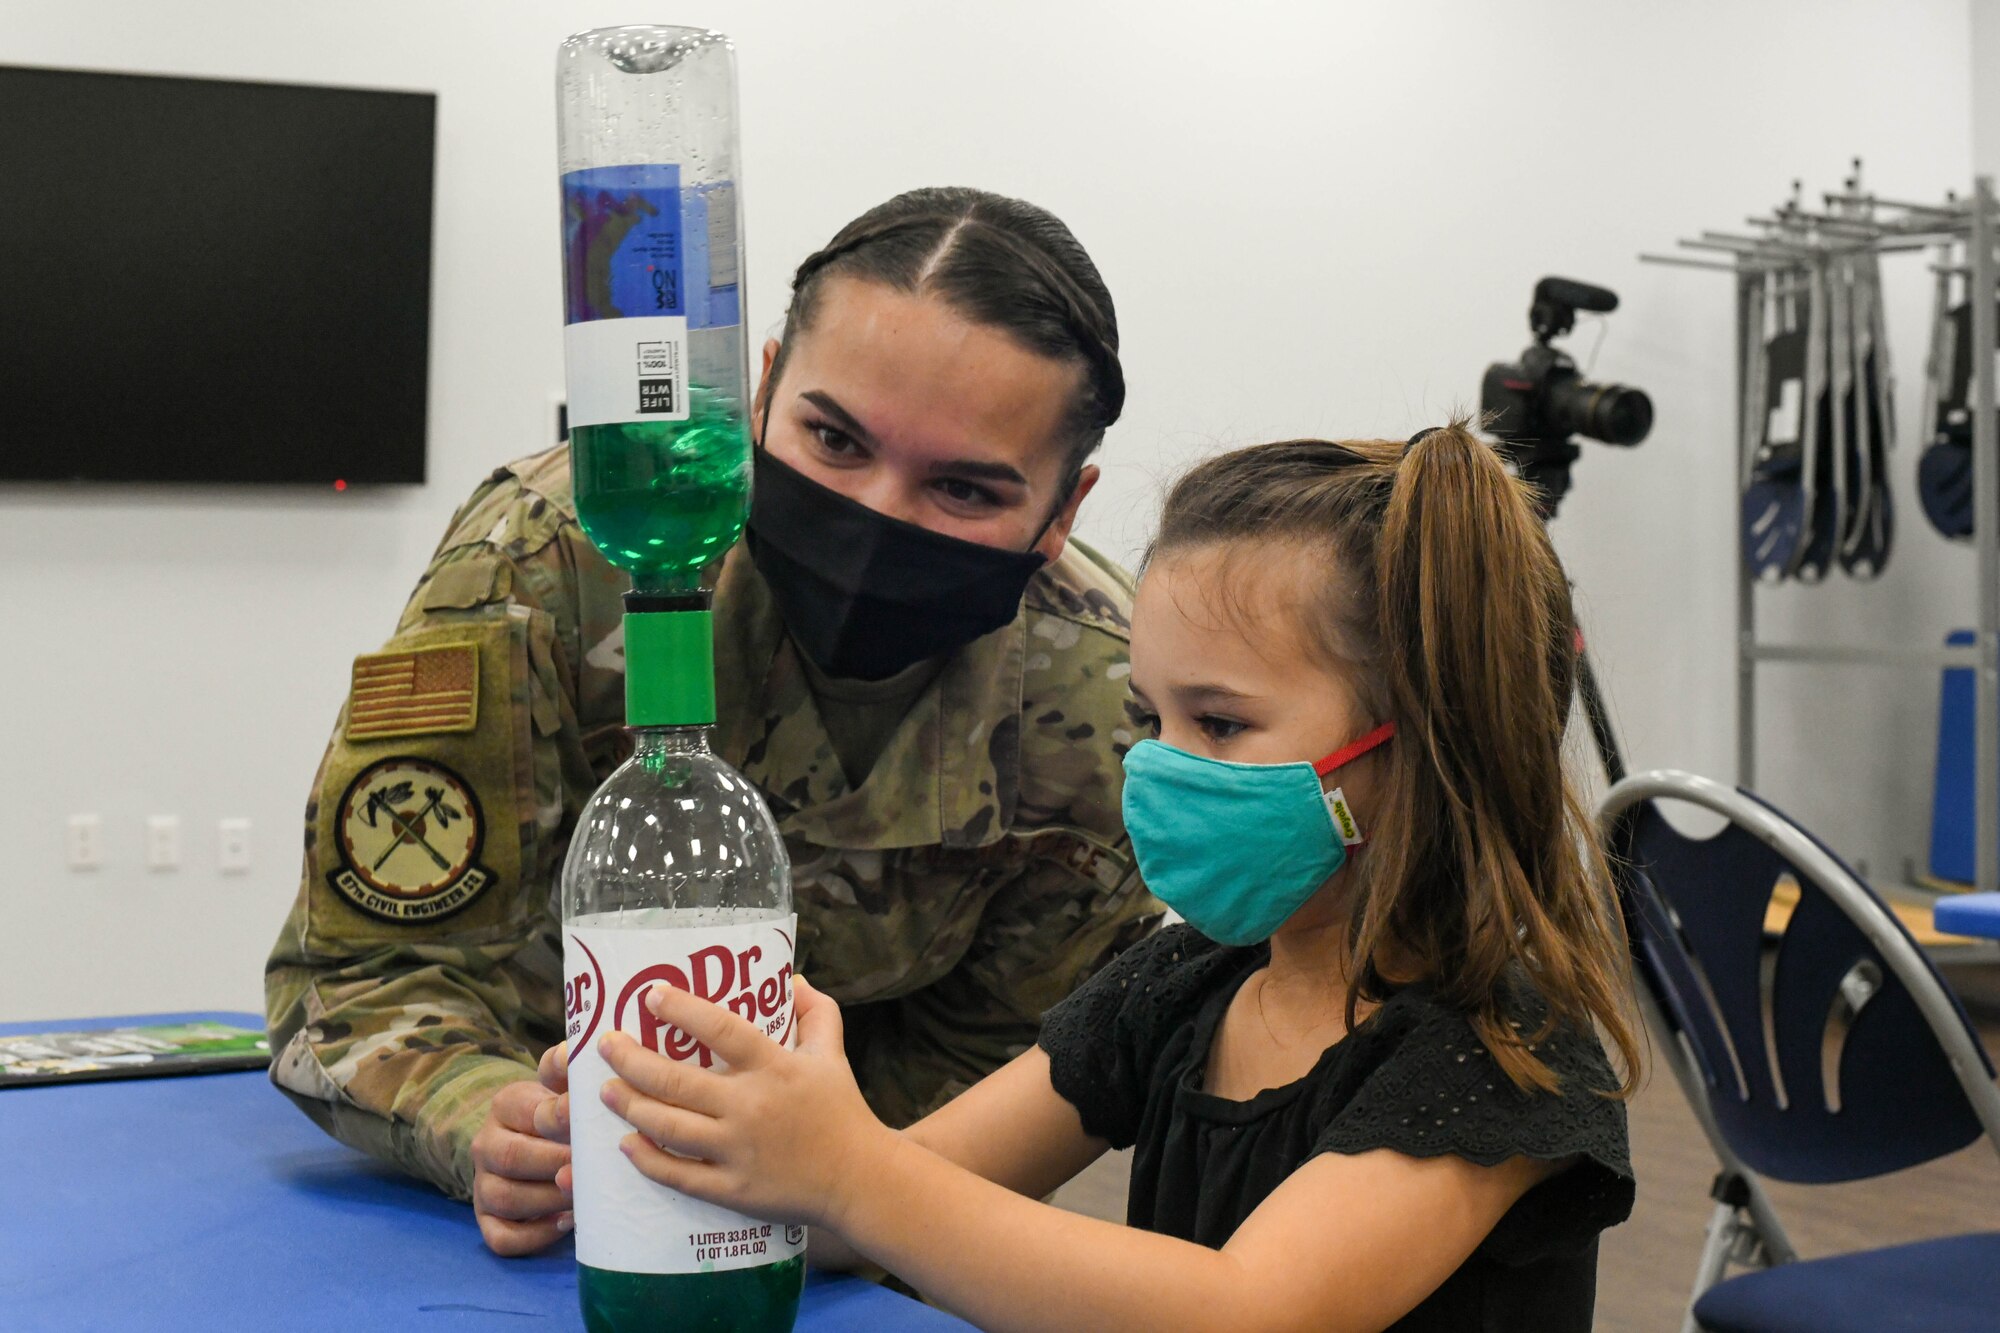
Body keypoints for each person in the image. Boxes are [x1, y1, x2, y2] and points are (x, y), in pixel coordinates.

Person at [263, 187, 1162, 1256]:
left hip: (842, 1235)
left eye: (963, 491)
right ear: (762, 390)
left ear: (1062, 509)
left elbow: (996, 1088)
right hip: (524, 1211)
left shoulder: (1104, 708)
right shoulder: (557, 561)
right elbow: (362, 975)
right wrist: (485, 1122)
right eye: (831, 438)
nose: (872, 519)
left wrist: (822, 1198)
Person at [588, 422, 1641, 1331]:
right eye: (1151, 717)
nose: (1157, 765)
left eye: (1217, 724)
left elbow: (1244, 1309)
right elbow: (907, 1194)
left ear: (1422, 744)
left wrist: (848, 1170)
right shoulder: (1180, 983)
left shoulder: (1500, 1058)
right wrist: (661, 1148)